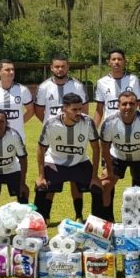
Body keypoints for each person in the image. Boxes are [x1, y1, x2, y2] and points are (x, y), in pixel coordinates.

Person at [100, 91, 140, 241]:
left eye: (132, 104)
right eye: (124, 104)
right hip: (117, 156)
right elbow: (105, 148)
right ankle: (109, 223)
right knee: (106, 184)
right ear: (118, 105)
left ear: (137, 105)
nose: (128, 107)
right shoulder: (109, 122)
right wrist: (108, 169)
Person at [94, 48, 140, 221]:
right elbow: (99, 110)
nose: (116, 62)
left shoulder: (133, 79)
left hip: (134, 134)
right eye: (113, 59)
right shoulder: (101, 82)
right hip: (112, 137)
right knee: (109, 177)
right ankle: (107, 219)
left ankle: (136, 217)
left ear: (124, 62)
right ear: (109, 62)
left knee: (138, 178)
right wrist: (93, 131)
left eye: (120, 59)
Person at [35, 54, 89, 222]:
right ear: (52, 68)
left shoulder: (77, 85)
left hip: (75, 131)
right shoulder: (44, 87)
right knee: (52, 180)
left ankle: (79, 215)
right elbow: (39, 110)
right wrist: (53, 126)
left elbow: (84, 109)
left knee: (75, 178)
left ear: (68, 68)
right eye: (56, 66)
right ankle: (46, 216)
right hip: (55, 135)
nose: (60, 69)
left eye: (63, 66)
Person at [35, 93, 103, 222]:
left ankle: (93, 222)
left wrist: (94, 177)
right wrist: (41, 176)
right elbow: (40, 148)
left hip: (79, 162)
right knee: (41, 187)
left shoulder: (87, 122)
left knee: (97, 188)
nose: (79, 113)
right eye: (75, 109)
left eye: (80, 109)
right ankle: (41, 220)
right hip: (55, 161)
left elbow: (96, 148)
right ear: (64, 109)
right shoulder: (51, 124)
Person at [0, 59, 34, 142]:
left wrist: (19, 122)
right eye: (7, 70)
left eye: (13, 69)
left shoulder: (23, 90)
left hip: (17, 138)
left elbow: (31, 110)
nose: (11, 72)